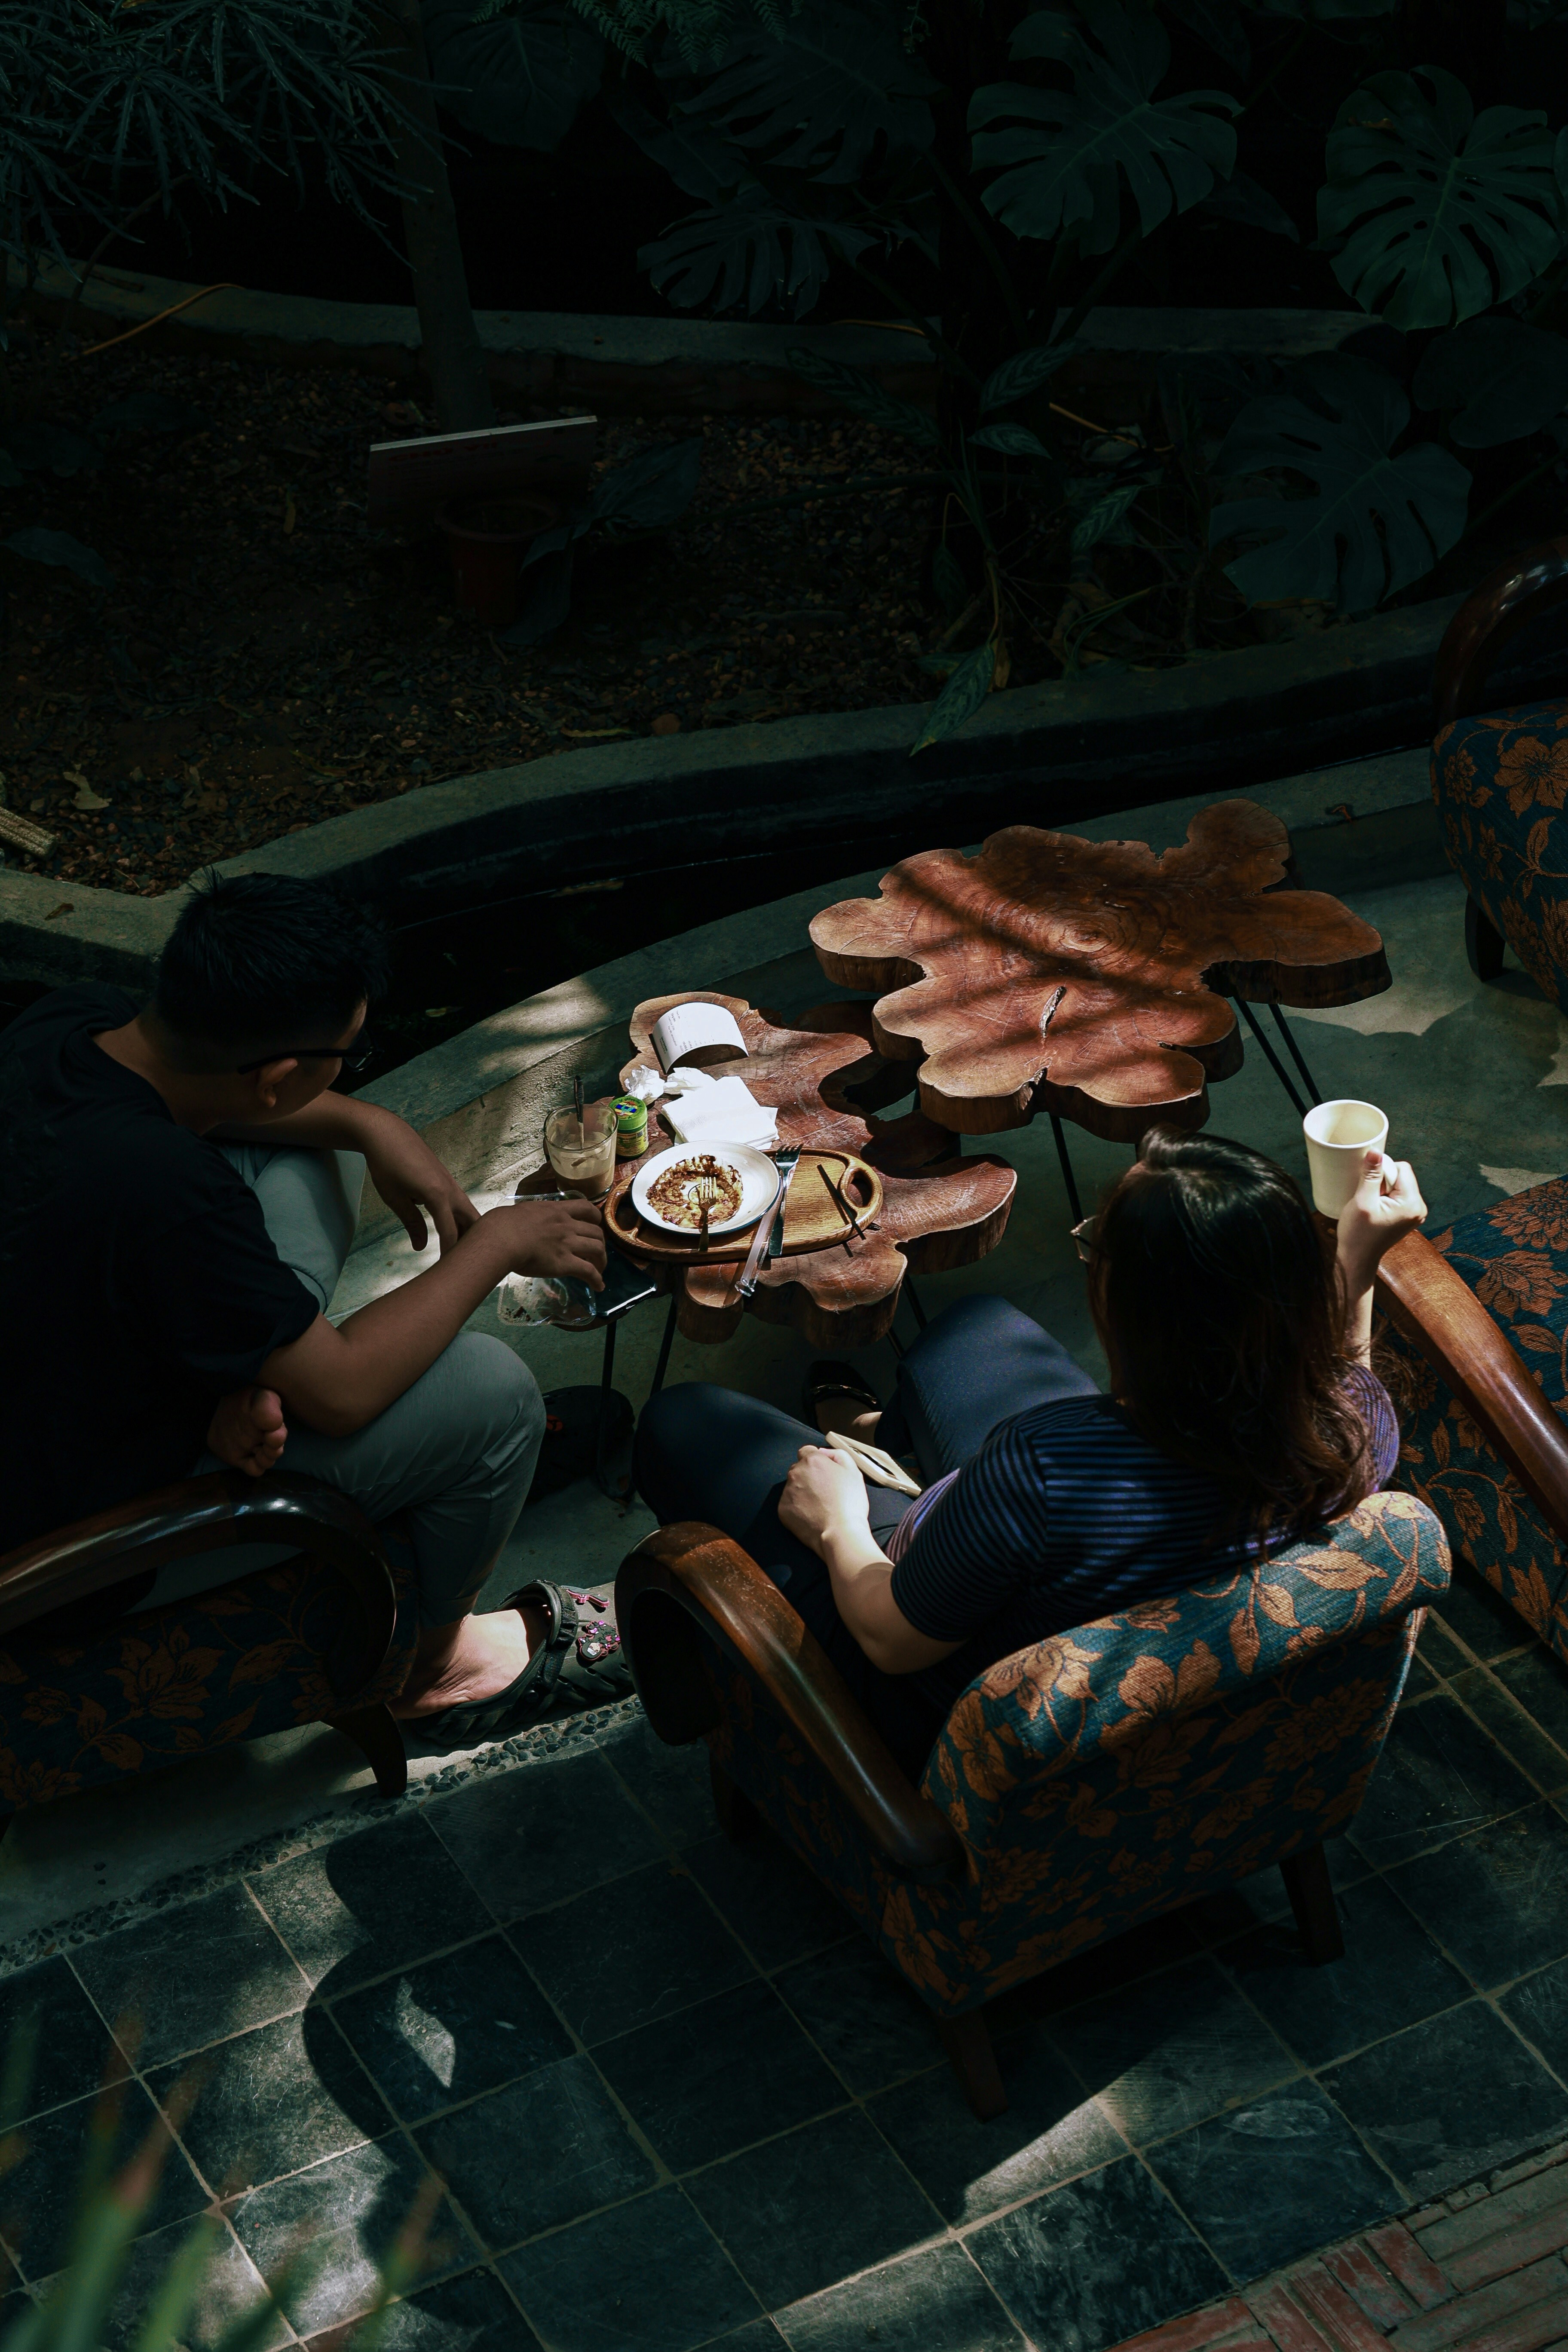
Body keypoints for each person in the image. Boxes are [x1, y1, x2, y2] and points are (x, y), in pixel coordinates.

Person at [0, 870, 620, 1742]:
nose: (348, 1077)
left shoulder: (72, 1021)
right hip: (71, 1530)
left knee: (313, 1155)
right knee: (492, 1393)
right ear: (279, 1072)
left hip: (68, 1360)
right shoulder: (167, 1193)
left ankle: (265, 1375)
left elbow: (202, 1181)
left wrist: (375, 1127)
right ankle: (435, 1672)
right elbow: (343, 1394)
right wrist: (500, 1244)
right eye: (347, 1056)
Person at [634, 1126, 1427, 1778]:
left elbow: (892, 1640)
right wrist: (1356, 1266)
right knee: (973, 1329)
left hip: (936, 1693)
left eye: (1097, 1254)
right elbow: (1344, 1378)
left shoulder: (1039, 1471)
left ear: (1133, 1313)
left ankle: (841, 1525)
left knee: (684, 1422)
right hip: (1111, 1580)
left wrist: (838, 1525)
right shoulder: (1345, 1426)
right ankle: (885, 1439)